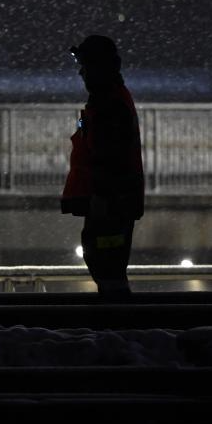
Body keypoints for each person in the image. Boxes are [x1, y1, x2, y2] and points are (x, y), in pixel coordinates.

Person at [61, 34, 145, 301]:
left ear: (98, 68)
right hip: (112, 200)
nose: (81, 73)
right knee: (104, 258)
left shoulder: (109, 104)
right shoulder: (108, 100)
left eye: (85, 67)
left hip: (111, 201)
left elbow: (109, 157)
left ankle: (115, 315)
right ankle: (115, 311)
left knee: (105, 259)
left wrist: (102, 196)